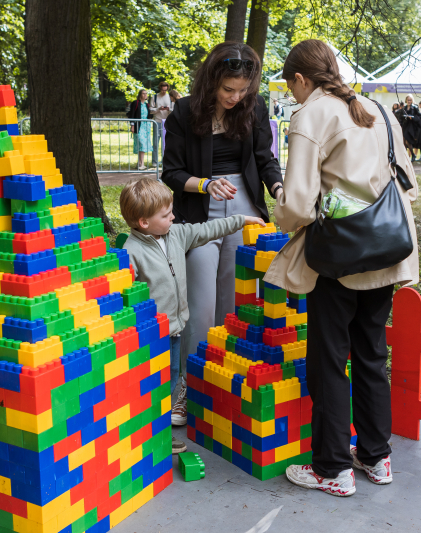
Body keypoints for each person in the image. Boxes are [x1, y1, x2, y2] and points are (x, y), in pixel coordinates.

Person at [264, 38, 418, 497]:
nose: (292, 94)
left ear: (299, 79)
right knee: (371, 353)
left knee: (328, 359)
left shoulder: (311, 114)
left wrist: (279, 206)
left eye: (291, 85)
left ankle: (332, 468)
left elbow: (296, 205)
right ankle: (377, 457)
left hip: (339, 258)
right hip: (387, 250)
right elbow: (406, 182)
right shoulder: (377, 109)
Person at [161, 42, 283, 427]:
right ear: (212, 80)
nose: (235, 97)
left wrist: (279, 190)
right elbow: (171, 173)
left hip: (245, 209)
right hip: (199, 212)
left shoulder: (255, 107)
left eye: (242, 90)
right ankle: (187, 385)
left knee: (233, 305)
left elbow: (265, 159)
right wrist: (205, 184)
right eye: (228, 90)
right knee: (200, 305)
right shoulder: (183, 111)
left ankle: (222, 382)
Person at [120, 178, 267, 454]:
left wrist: (240, 220)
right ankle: (147, 434)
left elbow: (208, 229)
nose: (173, 217)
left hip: (175, 332)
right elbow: (125, 293)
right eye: (166, 215)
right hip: (151, 338)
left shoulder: (175, 234)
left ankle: (161, 432)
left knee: (173, 380)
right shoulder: (132, 251)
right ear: (143, 222)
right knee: (151, 386)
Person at [149, 81, 174, 167]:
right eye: (162, 90)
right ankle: (154, 161)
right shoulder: (155, 97)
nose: (164, 92)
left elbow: (173, 110)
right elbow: (151, 110)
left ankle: (166, 161)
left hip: (167, 122)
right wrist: (158, 109)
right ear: (160, 88)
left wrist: (168, 109)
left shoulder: (170, 97)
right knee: (156, 142)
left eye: (165, 90)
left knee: (167, 143)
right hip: (157, 121)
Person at [128, 89, 153, 170]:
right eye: (143, 93)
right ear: (140, 95)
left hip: (146, 127)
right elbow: (132, 114)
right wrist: (132, 125)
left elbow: (149, 115)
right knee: (141, 143)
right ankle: (141, 163)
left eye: (146, 93)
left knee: (143, 145)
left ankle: (140, 163)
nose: (145, 95)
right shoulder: (136, 103)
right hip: (138, 126)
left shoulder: (147, 104)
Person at [400, 95, 421, 162]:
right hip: (405, 126)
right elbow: (401, 117)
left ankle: (412, 154)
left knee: (407, 141)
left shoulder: (415, 108)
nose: (409, 101)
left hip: (411, 127)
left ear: (412, 100)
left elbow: (419, 117)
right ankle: (406, 157)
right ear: (406, 100)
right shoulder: (404, 108)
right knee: (404, 142)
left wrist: (412, 117)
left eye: (410, 100)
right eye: (408, 100)